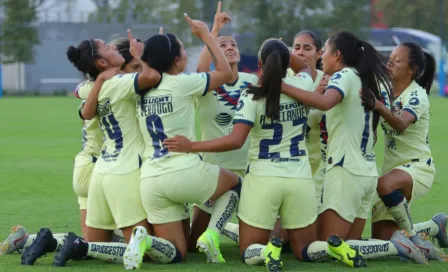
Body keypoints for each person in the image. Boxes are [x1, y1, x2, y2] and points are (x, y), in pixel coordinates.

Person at [281, 31, 428, 266]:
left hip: (344, 172)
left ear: (337, 55)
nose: (322, 59)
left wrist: (281, 86)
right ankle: (398, 243)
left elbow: (325, 102)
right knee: (348, 244)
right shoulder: (367, 79)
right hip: (367, 173)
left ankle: (395, 244)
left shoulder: (344, 75)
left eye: (325, 52)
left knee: (317, 247)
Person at [20, 35, 161, 267]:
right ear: (101, 63)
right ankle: (68, 243)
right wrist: (139, 56)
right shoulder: (119, 83)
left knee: (93, 246)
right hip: (124, 171)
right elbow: (153, 76)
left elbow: (85, 110)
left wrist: (101, 80)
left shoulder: (95, 86)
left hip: (101, 172)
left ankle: (55, 243)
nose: (112, 47)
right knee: (143, 250)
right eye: (106, 47)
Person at [122, 14, 240, 269]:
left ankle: (145, 240)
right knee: (235, 184)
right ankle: (213, 233)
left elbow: (150, 70)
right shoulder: (182, 83)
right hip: (183, 171)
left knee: (177, 252)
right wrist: (207, 35)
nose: (186, 55)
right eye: (184, 51)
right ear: (176, 60)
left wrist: (142, 57)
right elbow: (225, 73)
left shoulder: (139, 87)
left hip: (151, 179)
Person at [188, 1, 257, 250]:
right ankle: (218, 225)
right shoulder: (206, 84)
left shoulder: (252, 82)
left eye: (233, 45)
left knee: (261, 241)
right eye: (223, 46)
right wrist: (213, 31)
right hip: (214, 170)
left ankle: (223, 227)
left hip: (249, 169)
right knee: (192, 241)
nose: (229, 48)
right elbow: (201, 68)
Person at [370, 42, 447, 260]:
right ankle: (434, 227)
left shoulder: (417, 95)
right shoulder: (384, 90)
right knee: (383, 241)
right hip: (392, 169)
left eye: (397, 59)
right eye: (391, 56)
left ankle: (414, 238)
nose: (390, 61)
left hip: (418, 167)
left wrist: (379, 107)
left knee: (383, 184)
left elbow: (401, 123)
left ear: (411, 70)